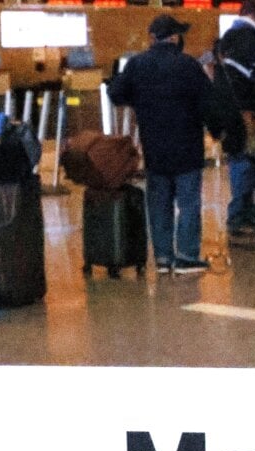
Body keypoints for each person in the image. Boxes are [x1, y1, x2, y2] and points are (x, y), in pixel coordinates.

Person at [108, 15, 214, 274]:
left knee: (159, 204)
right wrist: (218, 130)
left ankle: (164, 258)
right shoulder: (188, 65)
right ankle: (187, 256)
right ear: (175, 37)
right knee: (188, 203)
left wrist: (138, 98)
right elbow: (208, 103)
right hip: (187, 147)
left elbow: (115, 94)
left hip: (154, 147)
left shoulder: (137, 65)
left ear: (152, 38)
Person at [215, 0, 255, 236]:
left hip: (227, 111)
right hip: (248, 112)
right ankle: (239, 214)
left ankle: (242, 212)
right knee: (249, 162)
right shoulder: (254, 44)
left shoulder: (224, 41)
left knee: (239, 160)